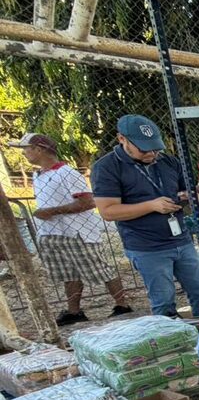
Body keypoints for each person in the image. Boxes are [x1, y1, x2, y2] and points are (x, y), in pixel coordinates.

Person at [92, 115, 199, 318]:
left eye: (155, 148)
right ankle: (170, 341)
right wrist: (151, 206)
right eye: (144, 148)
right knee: (163, 299)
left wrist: (188, 197)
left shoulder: (169, 161)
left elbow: (190, 191)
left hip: (181, 239)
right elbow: (108, 211)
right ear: (122, 139)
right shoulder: (106, 167)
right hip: (146, 246)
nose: (151, 153)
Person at [9, 133, 131, 324]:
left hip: (77, 232)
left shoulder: (66, 173)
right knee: (68, 273)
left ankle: (122, 304)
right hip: (54, 232)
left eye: (26, 149)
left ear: (39, 150)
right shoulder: (38, 175)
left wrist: (52, 211)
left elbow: (88, 201)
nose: (24, 154)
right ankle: (74, 311)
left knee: (101, 269)